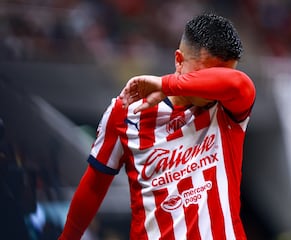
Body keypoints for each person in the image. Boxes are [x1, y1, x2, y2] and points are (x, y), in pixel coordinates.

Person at [59, 13, 256, 240]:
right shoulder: (126, 110)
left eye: (222, 75)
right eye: (208, 73)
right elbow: (94, 186)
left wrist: (167, 84)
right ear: (179, 60)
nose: (213, 87)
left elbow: (240, 83)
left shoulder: (227, 110)